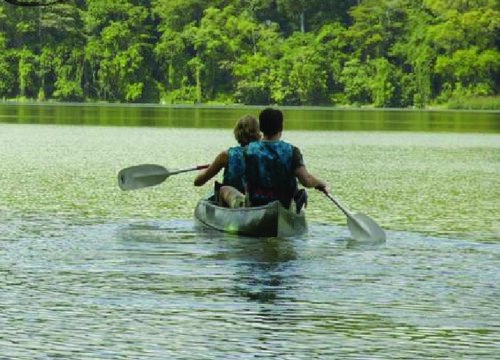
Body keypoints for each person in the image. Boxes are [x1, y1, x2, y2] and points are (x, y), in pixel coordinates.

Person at [245, 108, 328, 212]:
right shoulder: (292, 151)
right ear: (281, 127)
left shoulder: (248, 150)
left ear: (261, 127)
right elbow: (306, 180)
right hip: (284, 204)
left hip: (256, 203)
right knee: (301, 194)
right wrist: (320, 183)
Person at [194, 114, 261, 207]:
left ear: (237, 134)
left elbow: (198, 182)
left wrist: (206, 170)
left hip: (232, 202)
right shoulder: (266, 154)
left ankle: (239, 204)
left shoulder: (226, 156)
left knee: (223, 189)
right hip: (259, 198)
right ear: (258, 134)